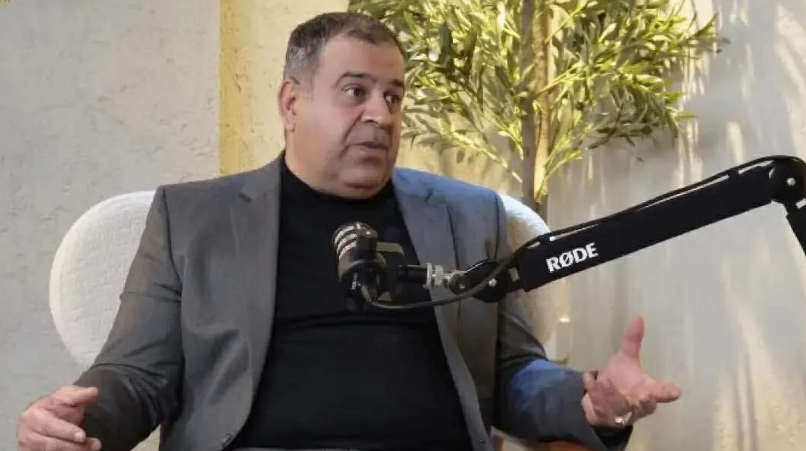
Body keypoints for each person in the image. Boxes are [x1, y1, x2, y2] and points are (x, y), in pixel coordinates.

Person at [16, 11, 682, 451]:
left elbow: (513, 375)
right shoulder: (191, 219)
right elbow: (138, 376)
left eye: (393, 96)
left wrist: (589, 399)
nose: (381, 115)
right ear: (291, 101)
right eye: (355, 91)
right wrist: (78, 421)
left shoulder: (472, 216)